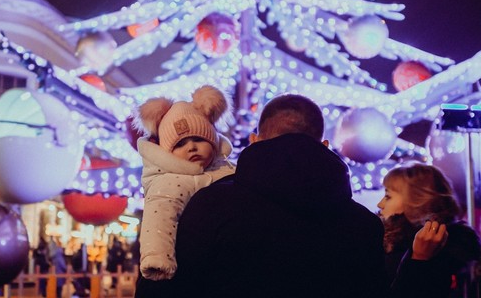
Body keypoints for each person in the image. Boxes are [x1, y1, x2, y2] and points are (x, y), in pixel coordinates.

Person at [135, 93, 449, 298]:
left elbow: (164, 289)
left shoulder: (210, 205)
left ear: (256, 141)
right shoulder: (363, 226)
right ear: (324, 146)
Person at [133, 85, 235, 281]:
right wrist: (157, 259)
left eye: (199, 139)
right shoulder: (170, 182)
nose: (192, 147)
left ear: (213, 141)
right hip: (189, 269)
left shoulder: (228, 169)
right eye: (180, 144)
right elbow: (158, 219)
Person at [377, 162, 481, 298]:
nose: (380, 204)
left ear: (416, 201)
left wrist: (418, 260)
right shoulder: (387, 242)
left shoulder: (450, 249)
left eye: (388, 196)